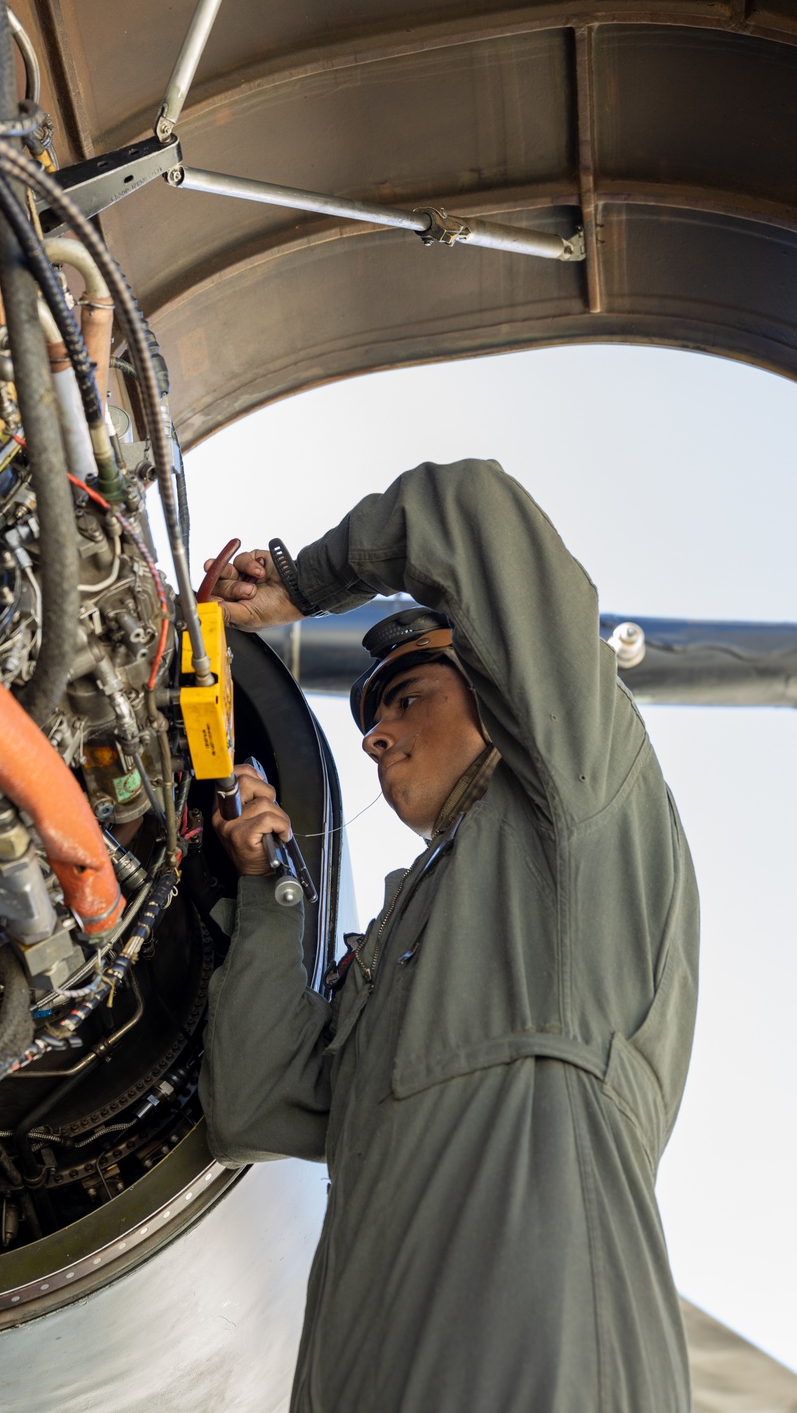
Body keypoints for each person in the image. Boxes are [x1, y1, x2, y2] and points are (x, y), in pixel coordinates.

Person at [198, 457, 699, 1413]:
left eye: (404, 698)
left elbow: (466, 509)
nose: (374, 737)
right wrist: (271, 892)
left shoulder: (580, 794)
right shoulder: (410, 932)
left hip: (537, 1361)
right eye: (370, 718)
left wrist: (301, 586)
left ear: (499, 692)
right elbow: (256, 1105)